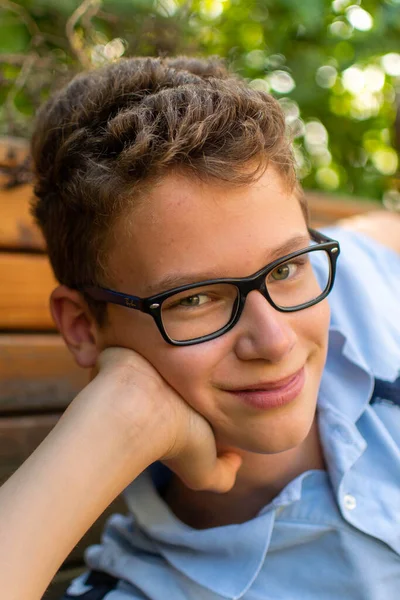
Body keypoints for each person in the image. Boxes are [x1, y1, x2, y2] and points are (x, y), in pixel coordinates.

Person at [0, 56, 399, 600]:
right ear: (82, 325)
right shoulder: (139, 590)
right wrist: (122, 415)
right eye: (194, 299)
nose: (276, 341)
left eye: (284, 267)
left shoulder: (354, 280)